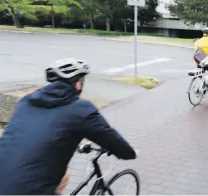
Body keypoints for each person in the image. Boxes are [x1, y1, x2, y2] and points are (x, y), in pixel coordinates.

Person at [0, 58, 137, 195]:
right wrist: (130, 153)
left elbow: (46, 132)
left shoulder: (26, 101)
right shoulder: (80, 109)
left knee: (63, 178)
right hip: (27, 191)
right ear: (78, 84)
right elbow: (111, 138)